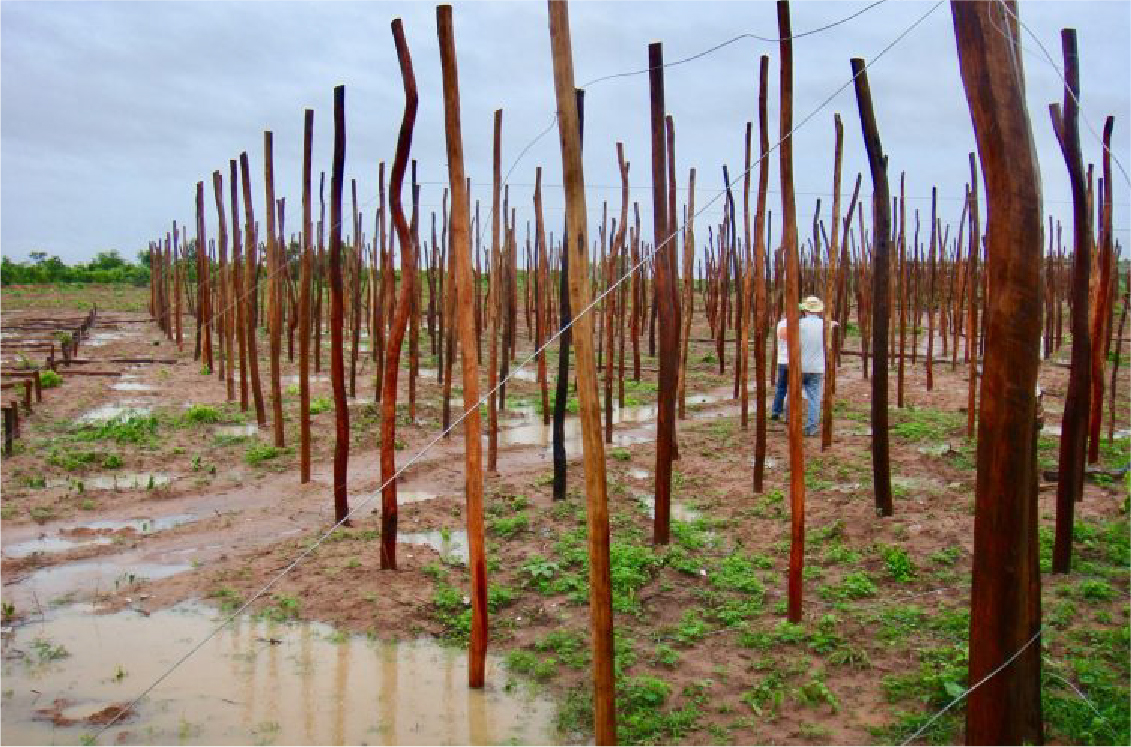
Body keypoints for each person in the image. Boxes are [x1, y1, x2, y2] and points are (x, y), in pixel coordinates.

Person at [773, 296, 832, 436]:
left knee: (793, 395)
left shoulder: (798, 324)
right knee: (814, 398)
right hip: (817, 368)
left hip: (798, 367)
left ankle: (791, 422)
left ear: (805, 309)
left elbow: (783, 335)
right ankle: (811, 428)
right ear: (819, 310)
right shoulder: (825, 325)